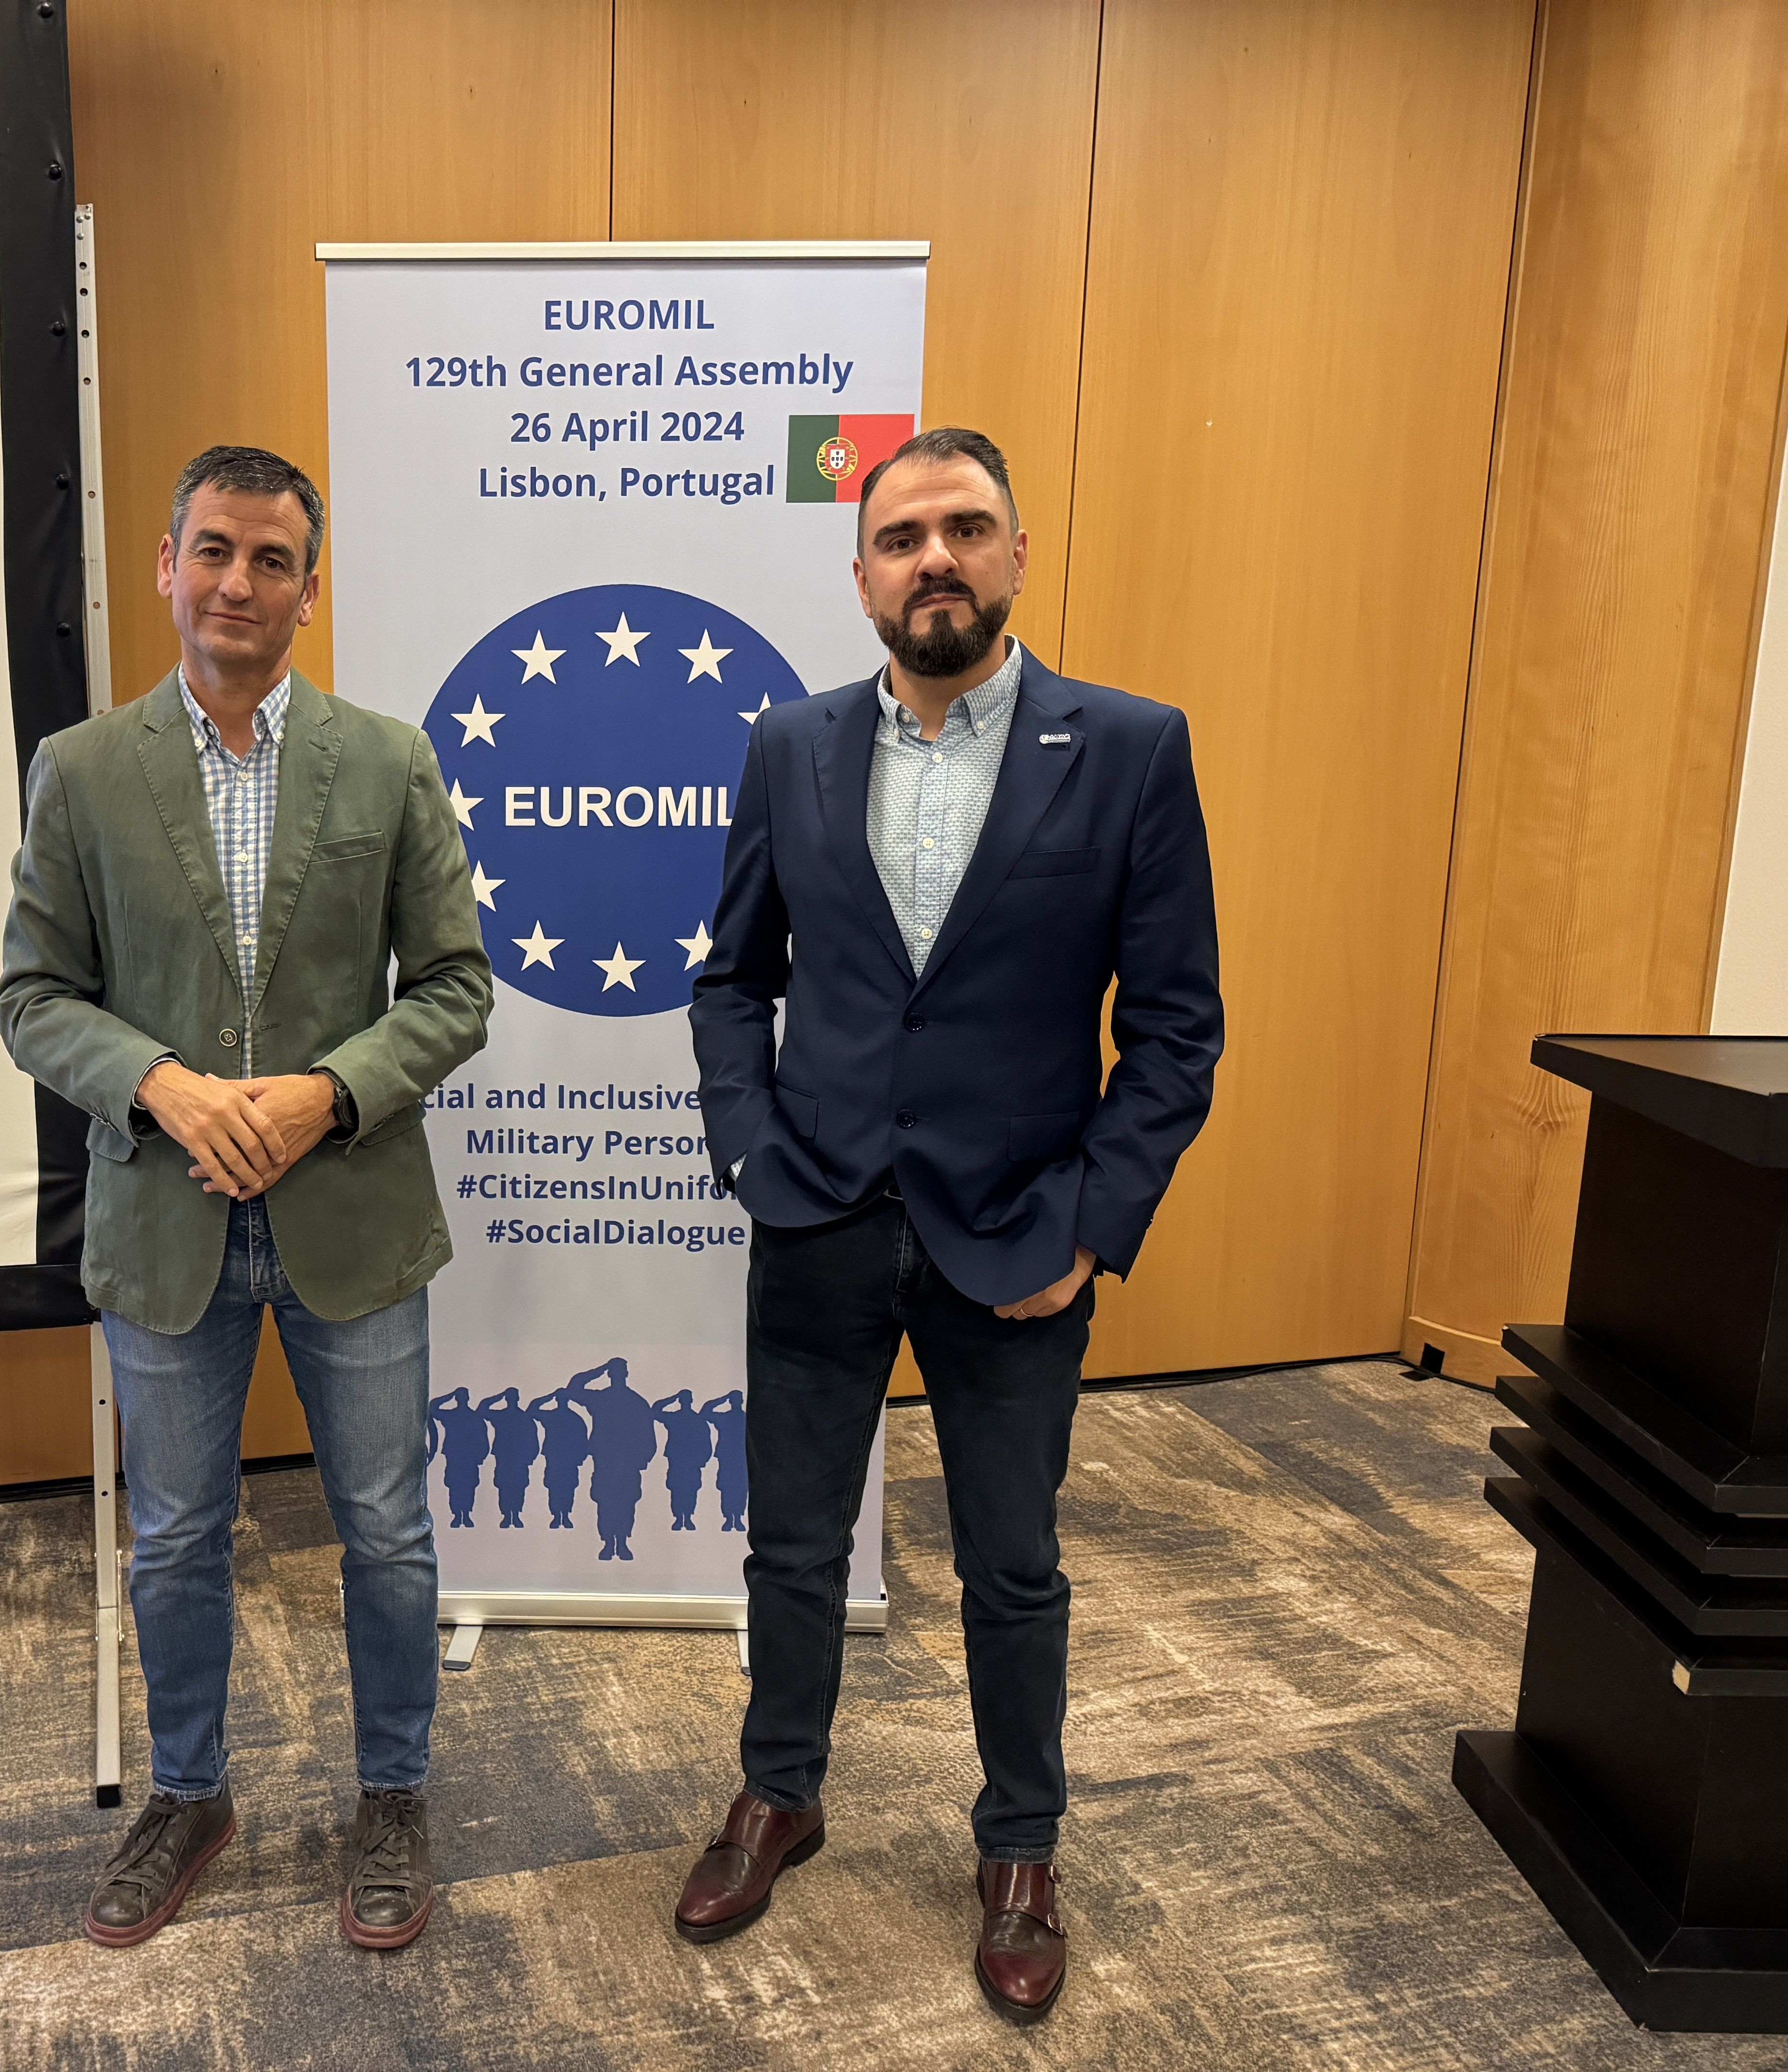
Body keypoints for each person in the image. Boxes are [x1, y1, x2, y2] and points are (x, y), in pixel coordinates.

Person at [680, 428, 1221, 2022]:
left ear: (1017, 554)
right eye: (903, 535)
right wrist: (748, 1153)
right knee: (790, 1541)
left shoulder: (1127, 748)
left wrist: (1097, 1222)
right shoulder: (789, 743)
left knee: (1011, 1564)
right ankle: (779, 1791)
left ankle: (1021, 1850)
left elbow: (1176, 1023)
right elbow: (733, 977)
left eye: (965, 528)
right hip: (822, 1215)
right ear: (861, 577)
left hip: (1017, 1238)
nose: (935, 557)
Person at [0, 444, 492, 1954]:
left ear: (309, 590)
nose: (237, 584)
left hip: (349, 1213)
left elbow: (456, 989)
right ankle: (191, 1794)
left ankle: (391, 1792)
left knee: (390, 1535)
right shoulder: (81, 773)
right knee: (174, 1538)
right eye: (212, 550)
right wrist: (161, 1084)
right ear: (164, 566)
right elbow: (32, 997)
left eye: (271, 560)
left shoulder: (389, 761)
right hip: (164, 1225)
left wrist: (326, 1091)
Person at [566, 1357, 656, 1562]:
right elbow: (573, 1390)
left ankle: (622, 1543)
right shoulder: (601, 1399)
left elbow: (648, 1435)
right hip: (605, 1461)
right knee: (606, 1503)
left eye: (618, 1370)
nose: (616, 1374)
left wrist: (643, 1459)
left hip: (628, 1463)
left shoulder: (637, 1402)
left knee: (626, 1503)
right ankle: (608, 1543)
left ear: (625, 1374)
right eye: (613, 1371)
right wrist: (600, 1369)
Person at [650, 1388, 716, 1530]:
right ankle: (679, 1518)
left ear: (691, 1401)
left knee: (691, 1489)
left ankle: (688, 1517)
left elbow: (707, 1442)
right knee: (677, 1488)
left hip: (692, 1461)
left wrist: (702, 1460)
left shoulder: (698, 1420)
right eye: (683, 1399)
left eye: (686, 1398)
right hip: (677, 1460)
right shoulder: (675, 1418)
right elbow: (655, 1412)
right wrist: (673, 1398)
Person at [527, 1385, 592, 1529]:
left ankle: (565, 1515)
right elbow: (531, 1411)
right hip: (556, 1458)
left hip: (568, 1459)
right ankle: (557, 1516)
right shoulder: (554, 1416)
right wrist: (550, 1396)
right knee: (555, 1486)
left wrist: (580, 1458)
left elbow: (583, 1440)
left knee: (567, 1487)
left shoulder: (573, 1418)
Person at [427, 1386, 492, 1529]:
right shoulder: (451, 1416)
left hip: (469, 1459)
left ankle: (467, 1515)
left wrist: (480, 1457)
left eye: (463, 1396)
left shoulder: (474, 1417)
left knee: (469, 1487)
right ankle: (457, 1515)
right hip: (455, 1457)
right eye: (459, 1396)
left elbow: (484, 1440)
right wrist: (450, 1395)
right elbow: (432, 1408)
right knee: (455, 1487)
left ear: (467, 1398)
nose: (462, 1399)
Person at [479, 1387, 541, 1529]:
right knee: (504, 1487)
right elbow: (482, 1410)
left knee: (518, 1487)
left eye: (513, 1397)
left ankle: (516, 1515)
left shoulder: (525, 1418)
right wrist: (500, 1396)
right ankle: (507, 1516)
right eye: (509, 1397)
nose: (511, 1400)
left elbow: (534, 1440)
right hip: (504, 1458)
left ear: (517, 1399)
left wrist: (530, 1457)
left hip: (519, 1459)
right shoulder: (501, 1416)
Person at [703, 1388, 748, 1533]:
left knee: (740, 1490)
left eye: (737, 1399)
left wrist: (725, 1399)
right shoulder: (725, 1418)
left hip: (742, 1458)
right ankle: (729, 1518)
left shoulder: (747, 1418)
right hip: (727, 1458)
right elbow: (705, 1413)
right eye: (733, 1400)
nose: (735, 1402)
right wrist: (723, 1399)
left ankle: (738, 1518)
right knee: (727, 1489)